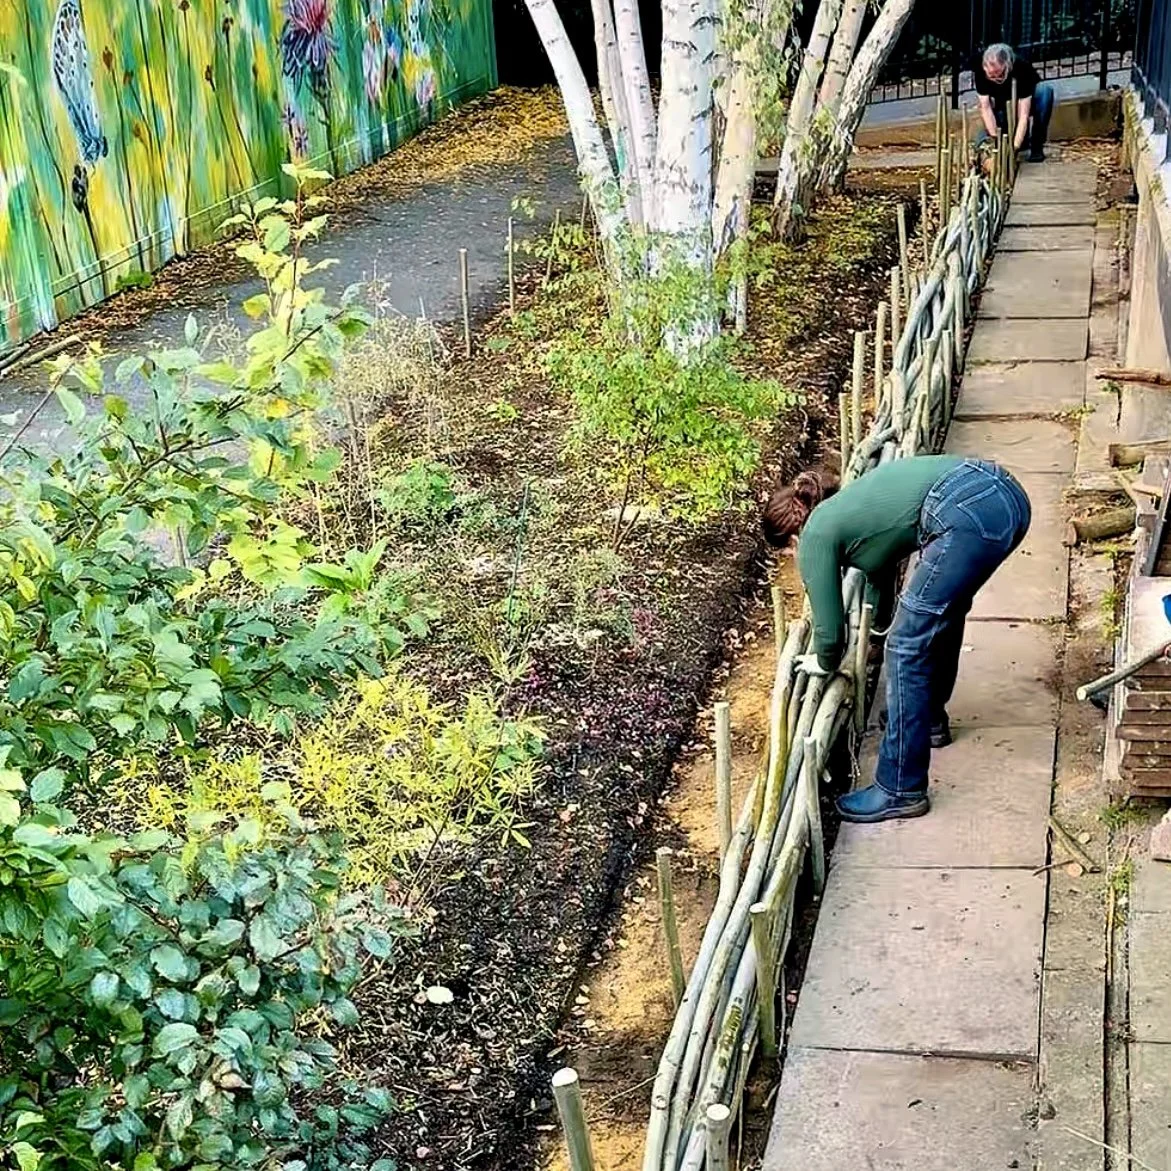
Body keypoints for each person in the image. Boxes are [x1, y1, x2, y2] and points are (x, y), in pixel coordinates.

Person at [763, 456, 1031, 824]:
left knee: (906, 646)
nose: (796, 557)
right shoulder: (850, 508)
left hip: (966, 512)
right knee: (942, 614)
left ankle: (900, 788)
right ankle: (929, 719)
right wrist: (877, 629)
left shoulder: (815, 532)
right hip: (1003, 494)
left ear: (792, 537)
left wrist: (822, 662)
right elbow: (879, 572)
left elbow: (829, 628)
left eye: (789, 552)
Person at [973, 42, 1055, 163]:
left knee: (1045, 91)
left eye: (999, 74)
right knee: (981, 139)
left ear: (1007, 65)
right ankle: (1016, 142)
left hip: (1025, 102)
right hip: (1002, 108)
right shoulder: (979, 68)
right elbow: (985, 108)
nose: (995, 78)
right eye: (990, 75)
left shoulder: (1022, 68)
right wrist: (995, 139)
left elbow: (1023, 115)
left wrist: (1014, 148)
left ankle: (1036, 145)